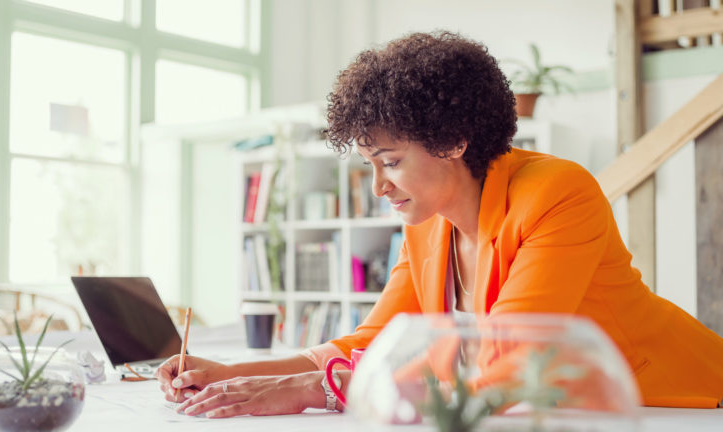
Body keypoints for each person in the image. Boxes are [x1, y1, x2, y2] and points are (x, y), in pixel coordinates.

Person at [156, 31, 723, 418]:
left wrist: (317, 390)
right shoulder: (428, 222)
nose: (379, 187)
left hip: (679, 408)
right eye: (370, 165)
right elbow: (372, 342)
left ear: (454, 140)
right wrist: (234, 375)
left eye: (392, 162)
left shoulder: (556, 191)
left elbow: (507, 356)